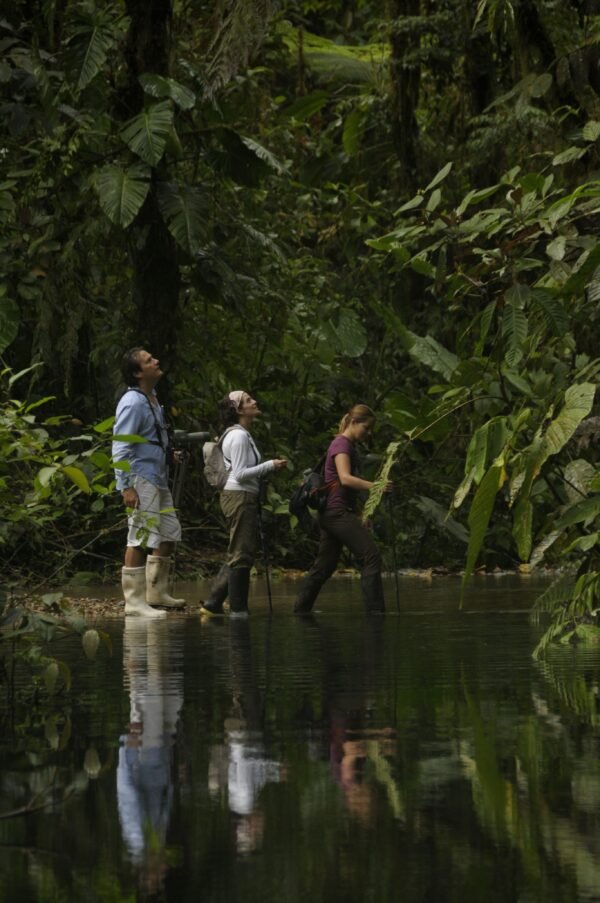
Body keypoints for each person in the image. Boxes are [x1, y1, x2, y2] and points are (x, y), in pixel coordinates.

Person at [293, 403, 390, 615]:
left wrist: (360, 514)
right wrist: (377, 486)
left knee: (325, 566)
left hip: (333, 512)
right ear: (354, 422)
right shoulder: (342, 445)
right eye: (366, 427)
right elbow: (345, 479)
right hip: (336, 513)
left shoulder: (345, 445)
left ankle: (301, 610)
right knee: (371, 556)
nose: (368, 433)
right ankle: (376, 615)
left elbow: (341, 487)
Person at [200, 390, 287, 618]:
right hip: (239, 496)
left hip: (242, 496)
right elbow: (239, 474)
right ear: (238, 410)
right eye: (248, 400)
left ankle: (214, 602)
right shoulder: (238, 437)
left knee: (241, 552)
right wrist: (270, 465)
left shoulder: (241, 434)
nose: (254, 401)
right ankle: (239, 612)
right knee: (241, 554)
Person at [112, 347, 184, 618]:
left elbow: (150, 439)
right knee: (140, 535)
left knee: (168, 532)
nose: (156, 360)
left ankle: (156, 592)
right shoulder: (133, 401)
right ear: (138, 372)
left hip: (157, 476)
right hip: (141, 477)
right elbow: (121, 446)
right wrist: (126, 486)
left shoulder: (152, 398)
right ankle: (134, 602)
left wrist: (169, 455)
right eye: (148, 360)